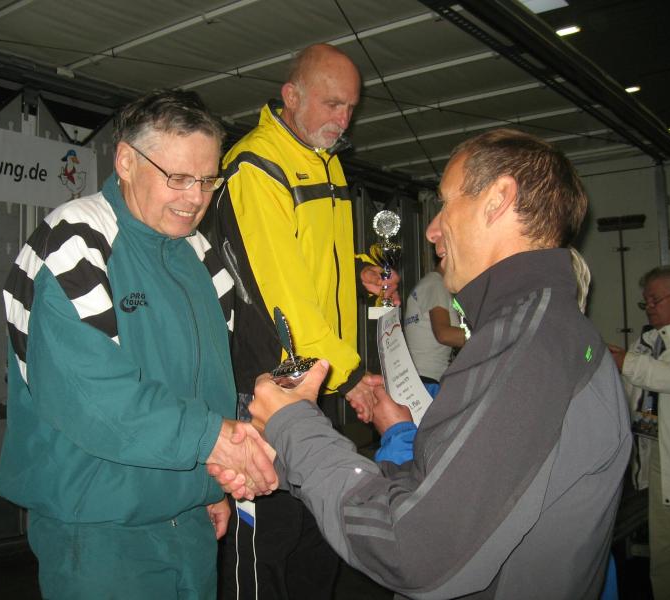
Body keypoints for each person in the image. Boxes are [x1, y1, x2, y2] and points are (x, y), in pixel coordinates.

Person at [221, 128, 632, 599]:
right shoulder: (543, 329)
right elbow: (435, 488)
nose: (433, 229)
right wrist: (289, 459)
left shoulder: (526, 343)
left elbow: (413, 547)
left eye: (446, 203)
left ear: (498, 199)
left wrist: (294, 422)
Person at [0, 91, 277, 600]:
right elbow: (96, 400)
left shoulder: (203, 257)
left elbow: (211, 385)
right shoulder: (76, 242)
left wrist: (208, 484)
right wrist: (214, 443)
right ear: (126, 161)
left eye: (207, 180)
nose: (195, 198)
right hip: (101, 529)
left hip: (189, 521)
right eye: (178, 177)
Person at [212, 43, 399, 599]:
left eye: (351, 108)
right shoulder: (257, 167)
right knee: (267, 548)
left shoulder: (327, 161)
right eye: (332, 104)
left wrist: (362, 271)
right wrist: (351, 375)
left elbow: (316, 259)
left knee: (319, 538)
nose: (343, 120)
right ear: (291, 96)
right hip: (266, 392)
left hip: (317, 385)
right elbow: (282, 296)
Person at [609, 266, 670, 600]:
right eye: (646, 303)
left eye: (655, 300)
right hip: (661, 461)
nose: (650, 308)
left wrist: (627, 364)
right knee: (668, 555)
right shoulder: (647, 342)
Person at [404, 254, 465, 395]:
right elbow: (444, 334)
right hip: (428, 381)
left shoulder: (430, 284)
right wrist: (485, 336)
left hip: (421, 379)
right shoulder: (436, 284)